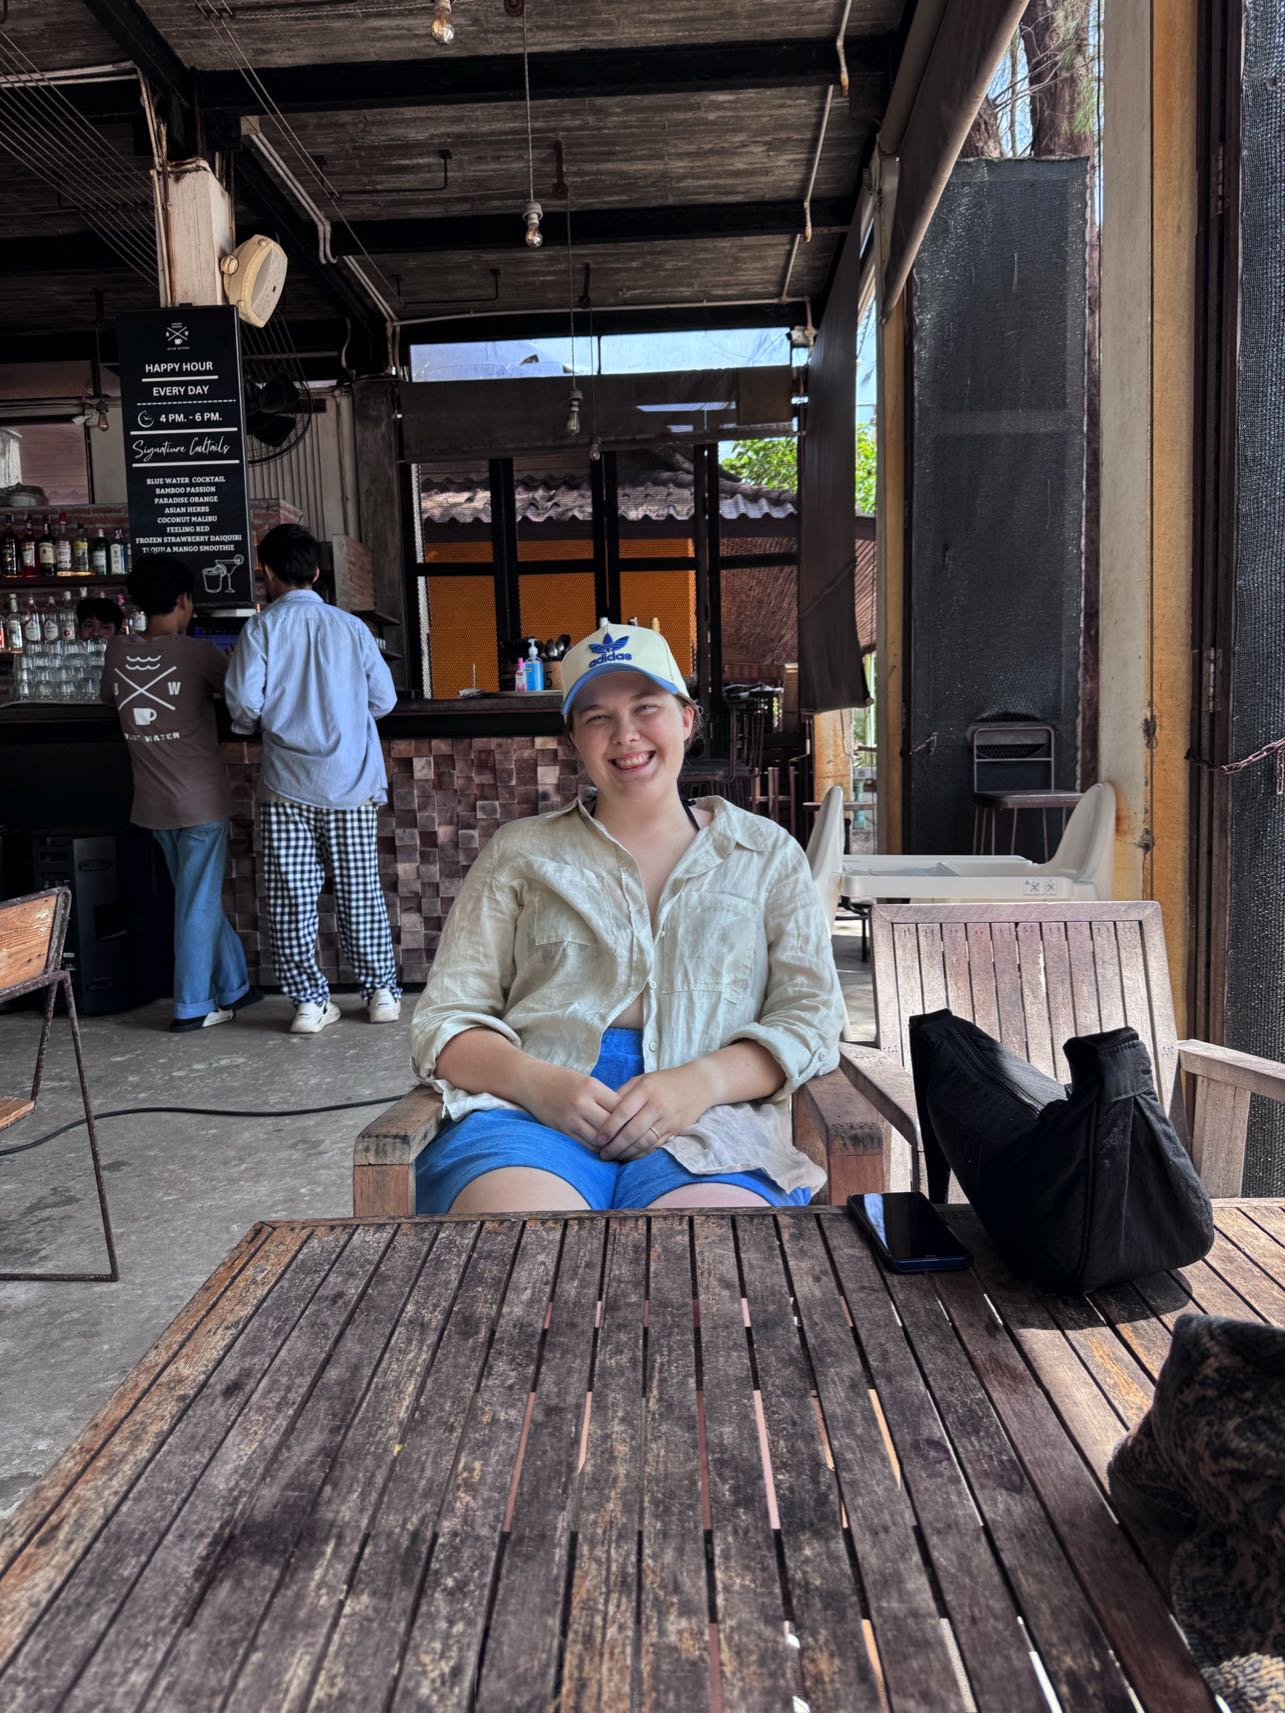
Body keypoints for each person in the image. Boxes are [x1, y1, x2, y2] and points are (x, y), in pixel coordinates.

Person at [409, 622, 846, 1214]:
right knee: (525, 1248)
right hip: (530, 1112)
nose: (625, 735)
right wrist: (538, 1083)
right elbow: (444, 1021)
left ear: (686, 719)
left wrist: (705, 1081)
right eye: (598, 718)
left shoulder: (764, 853)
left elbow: (812, 1014)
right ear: (574, 739)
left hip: (716, 1115)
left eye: (646, 707)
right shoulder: (520, 852)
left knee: (703, 1258)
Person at [224, 523, 401, 1036]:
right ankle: (381, 994)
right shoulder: (352, 628)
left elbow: (244, 705)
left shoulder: (260, 629)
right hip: (351, 782)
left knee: (289, 898)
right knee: (359, 890)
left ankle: (308, 1003)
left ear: (267, 573)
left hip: (286, 785)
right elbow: (384, 700)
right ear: (318, 573)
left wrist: (257, 723)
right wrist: (347, 714)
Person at [101, 556, 256, 1032]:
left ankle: (234, 985)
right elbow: (242, 698)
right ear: (185, 600)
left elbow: (108, 699)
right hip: (200, 802)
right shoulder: (198, 653)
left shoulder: (116, 651)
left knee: (195, 897)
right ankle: (192, 1005)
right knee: (197, 902)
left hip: (154, 804)